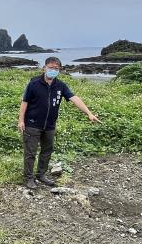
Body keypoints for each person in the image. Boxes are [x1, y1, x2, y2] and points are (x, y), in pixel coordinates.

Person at [17, 57, 99, 189]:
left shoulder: (60, 85)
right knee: (30, 153)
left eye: (56, 68)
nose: (53, 70)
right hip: (32, 124)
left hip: (50, 125)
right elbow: (24, 102)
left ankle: (41, 175)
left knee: (47, 151)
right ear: (44, 68)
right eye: (51, 67)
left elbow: (74, 98)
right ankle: (28, 178)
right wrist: (21, 120)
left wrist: (89, 113)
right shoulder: (34, 84)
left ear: (59, 70)